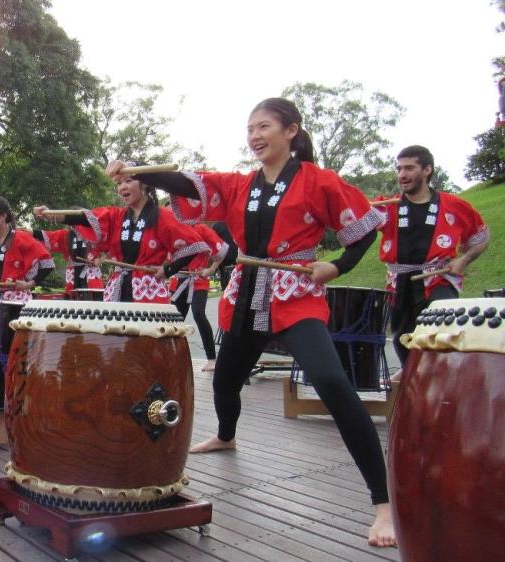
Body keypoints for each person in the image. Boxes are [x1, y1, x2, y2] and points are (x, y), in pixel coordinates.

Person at [109, 98, 395, 547]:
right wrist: (139, 171)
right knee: (224, 379)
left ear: (291, 131)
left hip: (294, 295)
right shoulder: (242, 185)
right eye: (250, 128)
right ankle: (226, 436)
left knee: (331, 382)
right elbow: (188, 181)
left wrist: (336, 266)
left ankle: (383, 504)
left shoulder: (319, 181)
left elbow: (361, 232)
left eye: (265, 127)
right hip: (246, 294)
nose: (255, 136)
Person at [374, 145, 488, 376]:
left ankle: (444, 386)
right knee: (402, 339)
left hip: (438, 278)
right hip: (400, 282)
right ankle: (414, 384)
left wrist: (463, 261)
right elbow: (355, 223)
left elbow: (480, 237)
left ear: (427, 170)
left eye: (409, 168)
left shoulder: (454, 205)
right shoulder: (388, 207)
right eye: (399, 168)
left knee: (439, 329)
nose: (402, 174)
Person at [33, 163, 209, 303]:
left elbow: (194, 245)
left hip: (147, 291)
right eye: (119, 183)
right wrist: (54, 215)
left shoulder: (163, 216)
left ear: (144, 184)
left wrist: (168, 269)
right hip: (117, 288)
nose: (122, 187)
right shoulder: (116, 216)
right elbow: (87, 218)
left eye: (128, 181)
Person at [167, 221, 227, 372]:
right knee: (174, 320)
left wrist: (211, 269)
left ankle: (211, 359)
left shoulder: (202, 229)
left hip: (198, 279)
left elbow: (221, 250)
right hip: (178, 280)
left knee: (199, 314)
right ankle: (171, 357)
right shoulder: (172, 229)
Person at [31, 226, 104, 295]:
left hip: (91, 273)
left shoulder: (95, 233)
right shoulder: (64, 234)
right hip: (72, 273)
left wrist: (100, 259)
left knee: (94, 299)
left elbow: (106, 250)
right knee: (72, 301)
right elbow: (48, 236)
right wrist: (30, 232)